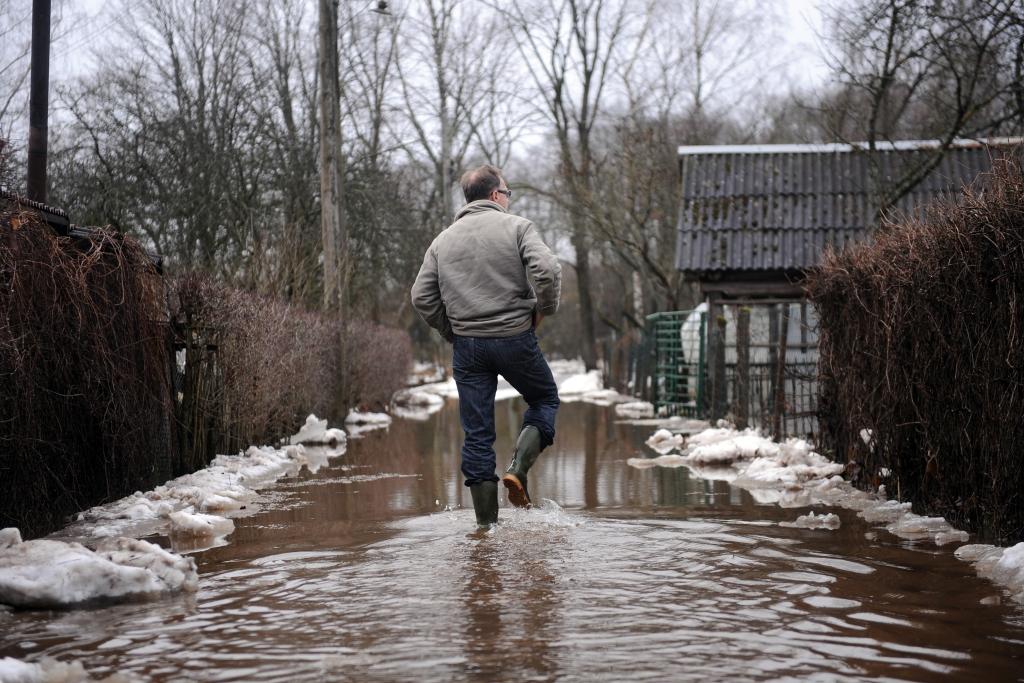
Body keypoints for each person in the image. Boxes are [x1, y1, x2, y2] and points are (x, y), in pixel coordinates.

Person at [411, 164, 562, 527]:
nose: (508, 199)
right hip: (515, 338)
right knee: (544, 399)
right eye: (507, 193)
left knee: (477, 434)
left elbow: (421, 296)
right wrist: (543, 311)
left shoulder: (442, 241)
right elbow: (547, 270)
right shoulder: (518, 227)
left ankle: (485, 528)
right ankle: (517, 469)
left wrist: (453, 330)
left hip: (469, 349)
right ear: (495, 195)